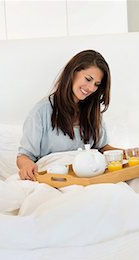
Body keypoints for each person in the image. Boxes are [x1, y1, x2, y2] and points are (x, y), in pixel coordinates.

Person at [17, 49, 119, 180]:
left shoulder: (92, 111)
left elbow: (102, 147)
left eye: (96, 85)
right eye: (88, 79)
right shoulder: (42, 111)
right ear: (73, 72)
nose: (91, 88)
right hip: (57, 177)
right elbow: (24, 156)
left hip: (91, 176)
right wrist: (26, 165)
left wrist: (128, 154)